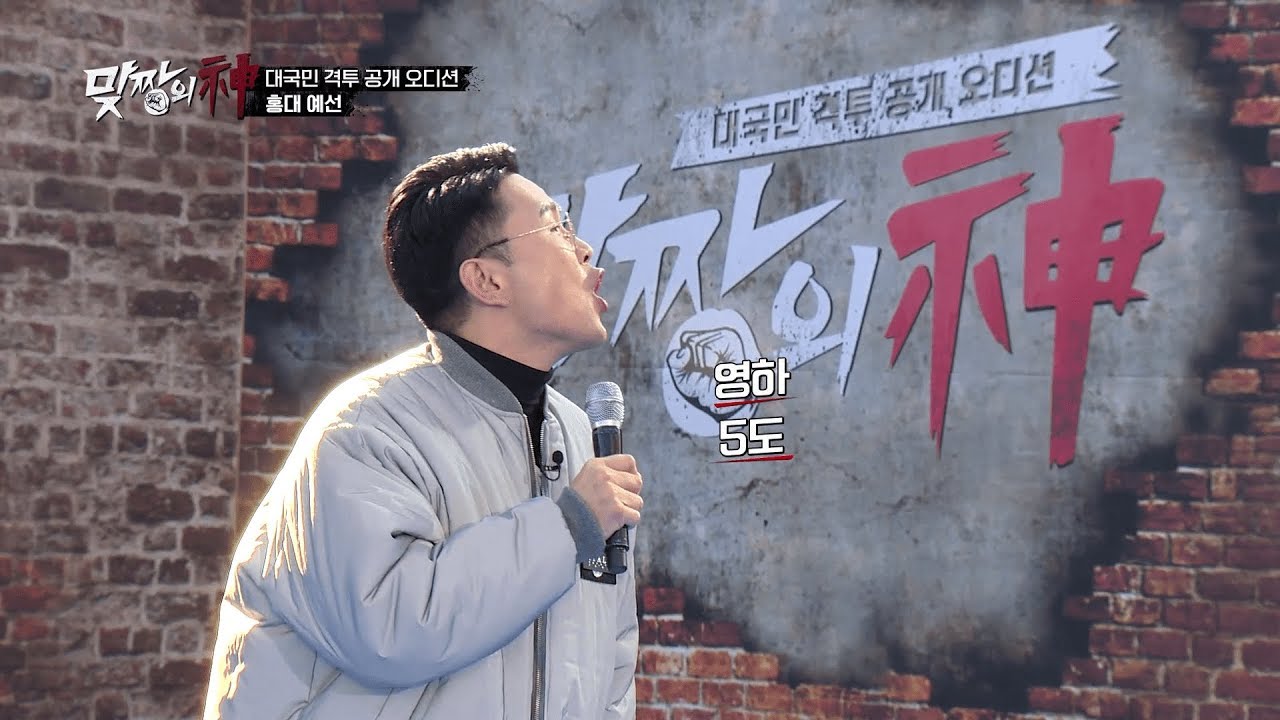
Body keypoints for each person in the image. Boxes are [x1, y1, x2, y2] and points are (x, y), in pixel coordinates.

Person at [203, 143, 643, 719]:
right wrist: (567, 527)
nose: (585, 250)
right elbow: (390, 627)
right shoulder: (366, 428)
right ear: (487, 280)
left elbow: (612, 656)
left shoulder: (578, 433)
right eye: (557, 228)